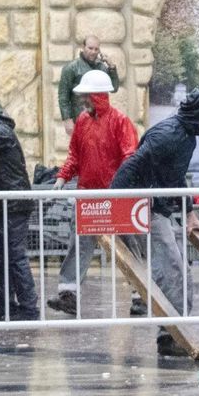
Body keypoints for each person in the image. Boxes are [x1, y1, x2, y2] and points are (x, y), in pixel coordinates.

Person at [109, 90, 199, 355]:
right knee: (170, 271)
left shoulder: (184, 136)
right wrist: (113, 205)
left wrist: (190, 213)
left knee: (176, 271)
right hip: (146, 209)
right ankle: (171, 336)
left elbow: (175, 176)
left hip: (154, 207)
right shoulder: (169, 136)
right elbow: (131, 166)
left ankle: (174, 330)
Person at [47, 69, 139, 317]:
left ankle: (140, 293)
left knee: (129, 245)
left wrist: (121, 187)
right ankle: (68, 293)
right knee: (80, 243)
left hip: (115, 196)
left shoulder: (120, 122)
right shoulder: (83, 122)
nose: (83, 100)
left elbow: (130, 157)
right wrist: (62, 176)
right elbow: (75, 156)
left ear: (97, 95)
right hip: (89, 195)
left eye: (86, 95)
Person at [0, 94, 39, 321]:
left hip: (13, 206)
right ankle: (5, 306)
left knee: (14, 256)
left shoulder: (0, 130)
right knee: (1, 257)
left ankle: (29, 308)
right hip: (3, 205)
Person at [57, 36, 121, 123]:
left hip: (101, 120)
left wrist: (111, 67)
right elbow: (63, 96)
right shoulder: (71, 68)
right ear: (83, 47)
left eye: (96, 49)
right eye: (90, 48)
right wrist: (67, 120)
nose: (93, 52)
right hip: (79, 119)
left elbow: (114, 88)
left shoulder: (102, 67)